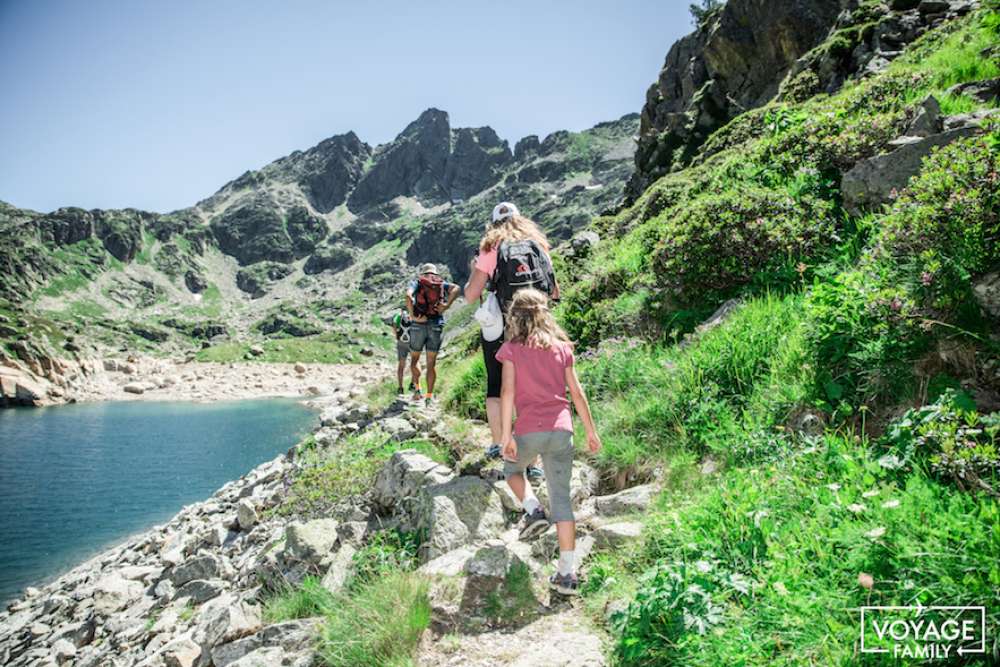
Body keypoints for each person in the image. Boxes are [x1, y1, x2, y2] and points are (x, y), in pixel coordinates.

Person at [498, 288, 601, 595]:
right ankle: (567, 574)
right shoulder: (562, 349)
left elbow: (507, 394)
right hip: (561, 430)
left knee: (512, 470)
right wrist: (592, 432)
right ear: (544, 313)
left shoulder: (512, 350)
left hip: (529, 429)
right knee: (562, 501)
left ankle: (532, 511)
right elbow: (577, 394)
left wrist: (506, 435)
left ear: (515, 317)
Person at [464, 202, 558, 472]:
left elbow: (471, 295)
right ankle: (536, 461)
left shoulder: (491, 246)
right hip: (537, 327)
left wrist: (477, 269)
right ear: (520, 219)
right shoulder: (537, 243)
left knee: (497, 385)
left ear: (493, 223)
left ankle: (499, 445)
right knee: (534, 389)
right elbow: (552, 291)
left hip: (502, 327)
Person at [407, 262, 459, 405]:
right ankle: (429, 397)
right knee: (431, 364)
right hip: (436, 324)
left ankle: (417, 390)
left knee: (414, 359)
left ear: (422, 273)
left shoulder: (417, 282)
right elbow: (457, 288)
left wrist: (412, 315)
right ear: (435, 273)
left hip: (418, 324)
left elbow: (408, 296)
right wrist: (447, 305)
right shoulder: (441, 284)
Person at [390, 307, 415, 395]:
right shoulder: (414, 314)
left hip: (401, 343)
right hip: (413, 342)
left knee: (401, 366)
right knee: (415, 363)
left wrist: (397, 336)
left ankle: (400, 388)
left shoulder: (398, 316)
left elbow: (393, 326)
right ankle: (413, 384)